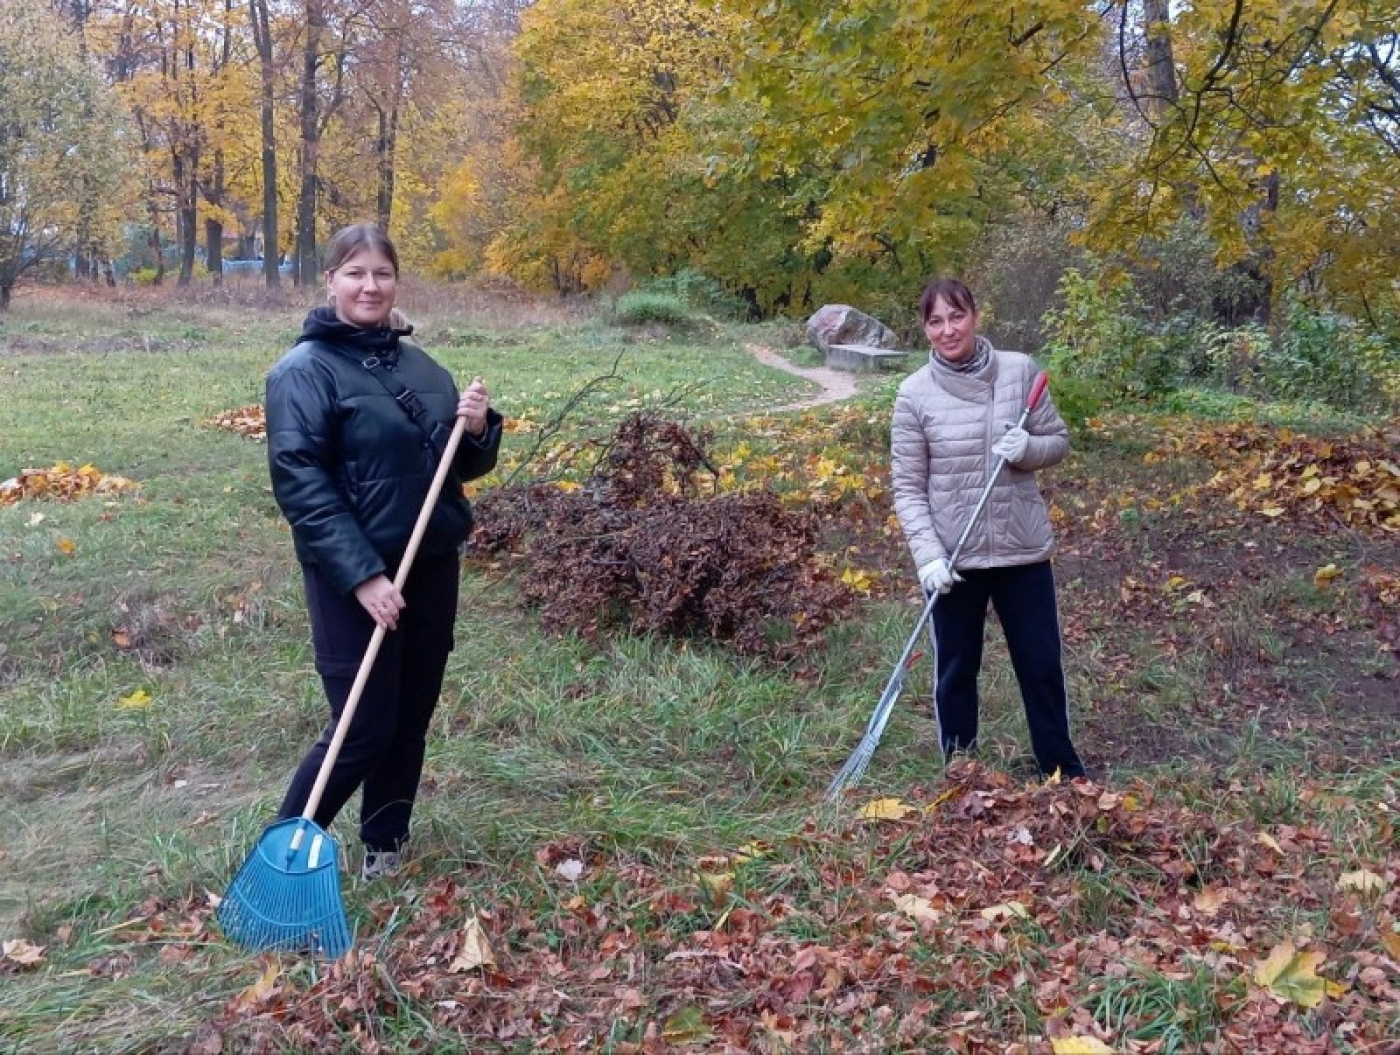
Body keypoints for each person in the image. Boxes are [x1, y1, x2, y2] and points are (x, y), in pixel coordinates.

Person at [264, 223, 503, 880]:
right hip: (356, 577)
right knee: (363, 724)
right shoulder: (303, 372)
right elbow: (300, 482)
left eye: (382, 273)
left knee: (409, 718)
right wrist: (364, 576)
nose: (370, 286)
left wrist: (478, 429)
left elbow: (459, 466)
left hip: (430, 564)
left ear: (396, 280)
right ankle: (281, 857)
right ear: (330, 281)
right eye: (355, 273)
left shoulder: (423, 368)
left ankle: (385, 845)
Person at [890, 277, 1085, 780]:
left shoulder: (1021, 372)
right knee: (956, 671)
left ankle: (1061, 771)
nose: (948, 330)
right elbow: (908, 488)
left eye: (957, 316)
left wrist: (1029, 449)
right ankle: (962, 772)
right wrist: (928, 557)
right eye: (936, 321)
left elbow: (1057, 441)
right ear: (925, 329)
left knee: (1040, 666)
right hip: (955, 558)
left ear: (975, 316)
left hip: (1022, 550)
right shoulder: (913, 394)